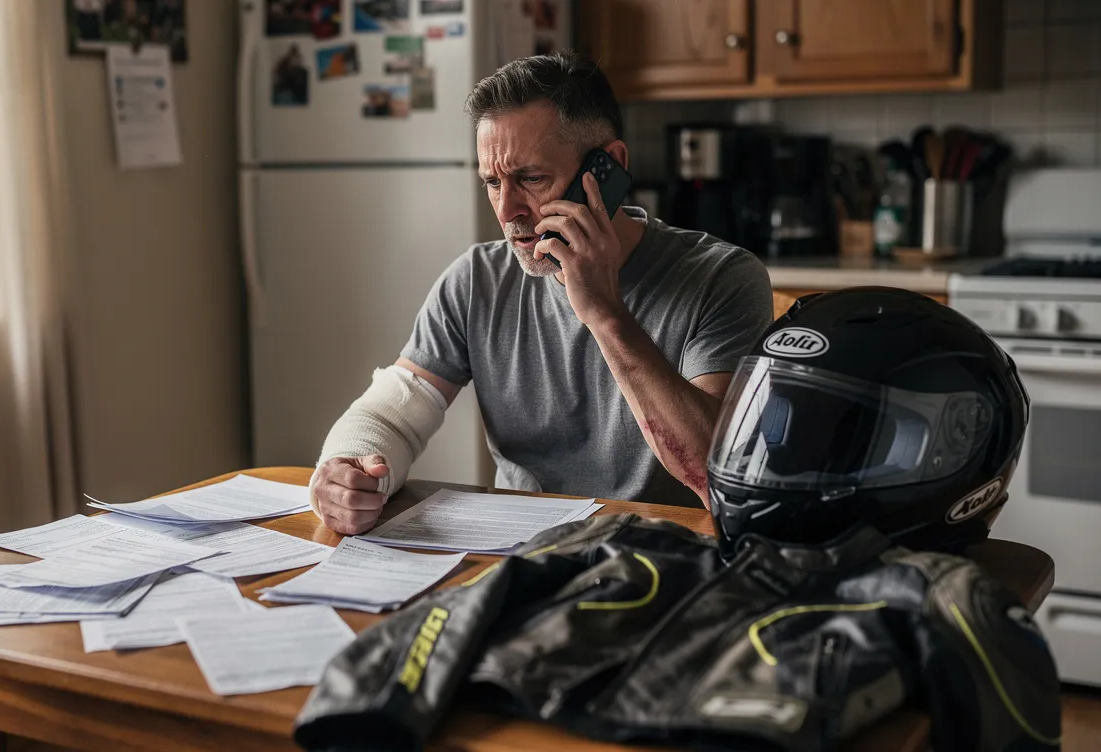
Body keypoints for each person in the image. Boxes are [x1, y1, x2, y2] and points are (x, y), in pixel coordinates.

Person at [309, 52, 773, 534]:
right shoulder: (476, 280)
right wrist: (349, 474)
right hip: (522, 553)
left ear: (608, 169)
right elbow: (397, 412)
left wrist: (605, 314)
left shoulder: (723, 278)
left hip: (667, 561)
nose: (508, 210)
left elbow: (718, 478)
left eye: (531, 179)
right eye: (493, 182)